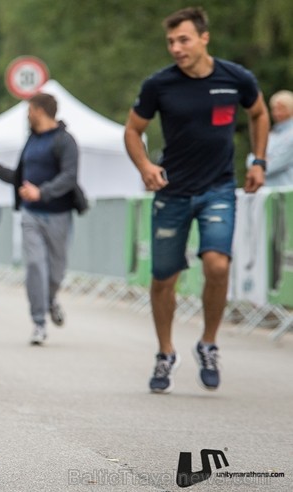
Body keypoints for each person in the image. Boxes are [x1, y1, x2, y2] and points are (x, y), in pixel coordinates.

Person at [123, 6, 270, 394]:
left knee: (217, 266)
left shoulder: (236, 78)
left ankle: (208, 342)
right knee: (163, 279)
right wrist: (144, 167)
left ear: (204, 38)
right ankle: (166, 351)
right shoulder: (160, 85)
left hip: (218, 188)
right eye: (171, 41)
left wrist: (258, 160)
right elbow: (133, 130)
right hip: (171, 191)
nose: (176, 47)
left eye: (183, 39)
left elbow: (259, 113)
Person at [0, 93, 77, 344]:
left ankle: (50, 300)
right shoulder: (31, 141)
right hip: (31, 215)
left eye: (29, 109)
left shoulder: (65, 141)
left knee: (56, 273)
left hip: (58, 214)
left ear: (39, 110)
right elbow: (19, 177)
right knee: (36, 266)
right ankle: (39, 322)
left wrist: (42, 191)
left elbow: (70, 176)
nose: (27, 114)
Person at [261, 90, 293, 187]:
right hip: (269, 192)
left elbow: (274, 165)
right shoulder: (271, 135)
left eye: (281, 108)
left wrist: (259, 163)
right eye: (274, 109)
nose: (276, 113)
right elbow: (251, 158)